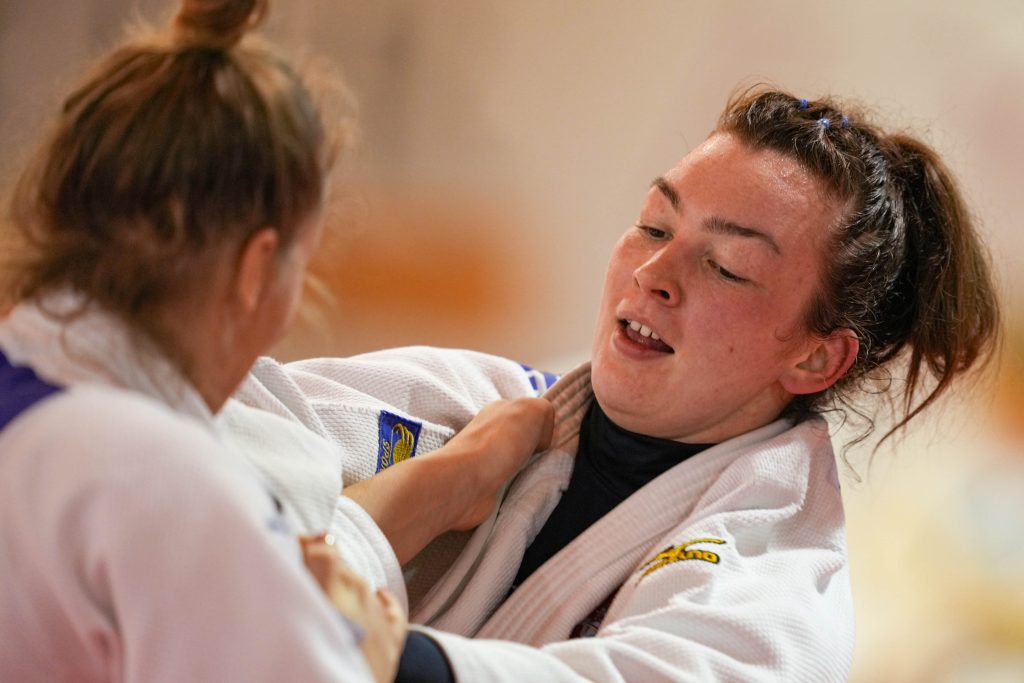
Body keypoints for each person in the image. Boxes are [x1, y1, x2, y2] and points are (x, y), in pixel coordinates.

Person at [217, 86, 1001, 682]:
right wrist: (439, 481)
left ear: (814, 359)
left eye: (726, 266)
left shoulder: (776, 584)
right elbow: (198, 458)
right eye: (655, 225)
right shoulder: (474, 407)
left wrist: (372, 627)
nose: (654, 271)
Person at [0, 1, 553, 681]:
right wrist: (364, 638)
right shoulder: (171, 487)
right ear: (256, 268)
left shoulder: (51, 402)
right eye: (306, 265)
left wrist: (445, 482)